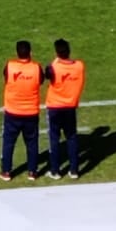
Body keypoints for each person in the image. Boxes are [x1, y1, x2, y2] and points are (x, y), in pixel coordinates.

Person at [0, 39, 43, 180]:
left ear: (16, 53)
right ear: (30, 52)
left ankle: (6, 171)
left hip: (12, 112)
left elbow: (6, 77)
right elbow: (41, 81)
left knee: (9, 142)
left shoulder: (10, 66)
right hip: (31, 112)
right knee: (32, 143)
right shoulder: (36, 68)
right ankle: (32, 171)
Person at [44, 39, 85, 179]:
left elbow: (47, 74)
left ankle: (55, 170)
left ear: (56, 53)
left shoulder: (53, 67)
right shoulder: (79, 66)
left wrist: (55, 61)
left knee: (54, 138)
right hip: (70, 107)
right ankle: (74, 170)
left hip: (54, 107)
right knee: (71, 137)